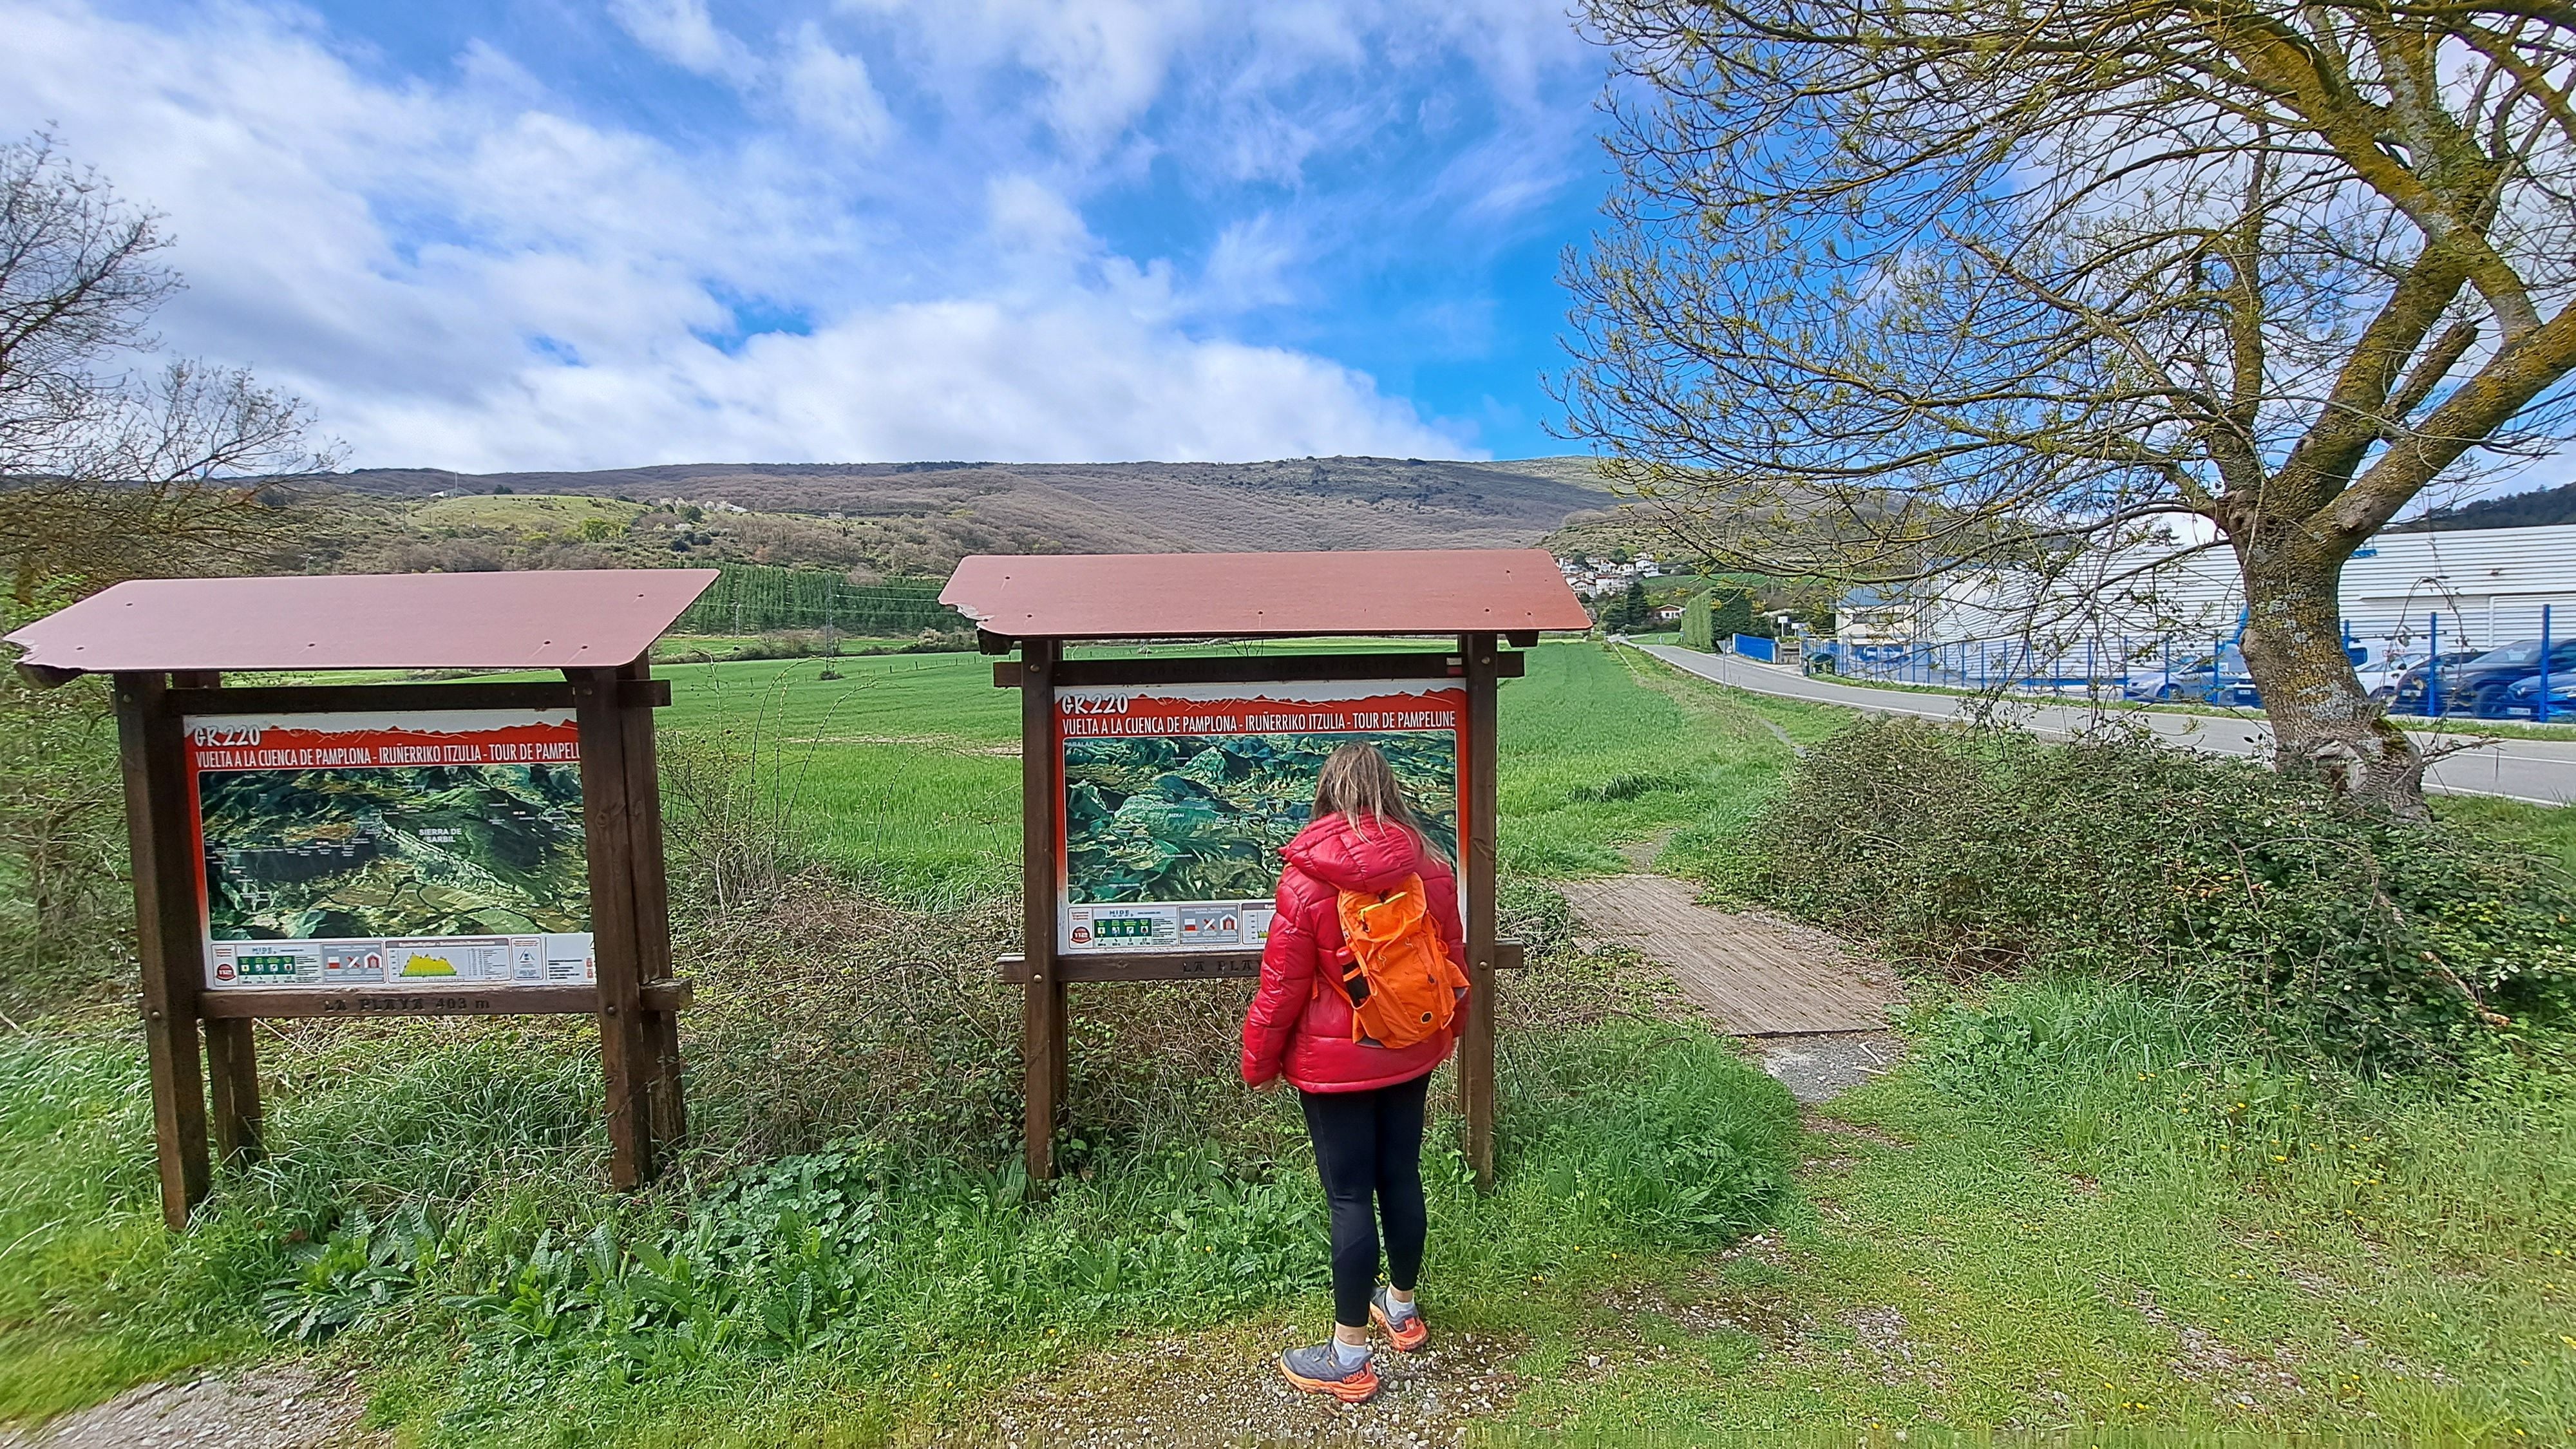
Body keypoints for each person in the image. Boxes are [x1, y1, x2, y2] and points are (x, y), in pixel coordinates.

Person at [1240, 743, 1469, 1403]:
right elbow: (1452, 963)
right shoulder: (1428, 868)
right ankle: (1400, 1307)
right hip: (1409, 1047)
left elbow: (1280, 987)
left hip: (1332, 1067)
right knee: (1401, 1175)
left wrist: (1258, 1061)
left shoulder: (1305, 880)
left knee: (1348, 1198)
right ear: (1389, 791)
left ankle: (1346, 1356)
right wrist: (1447, 1033)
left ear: (1327, 793)